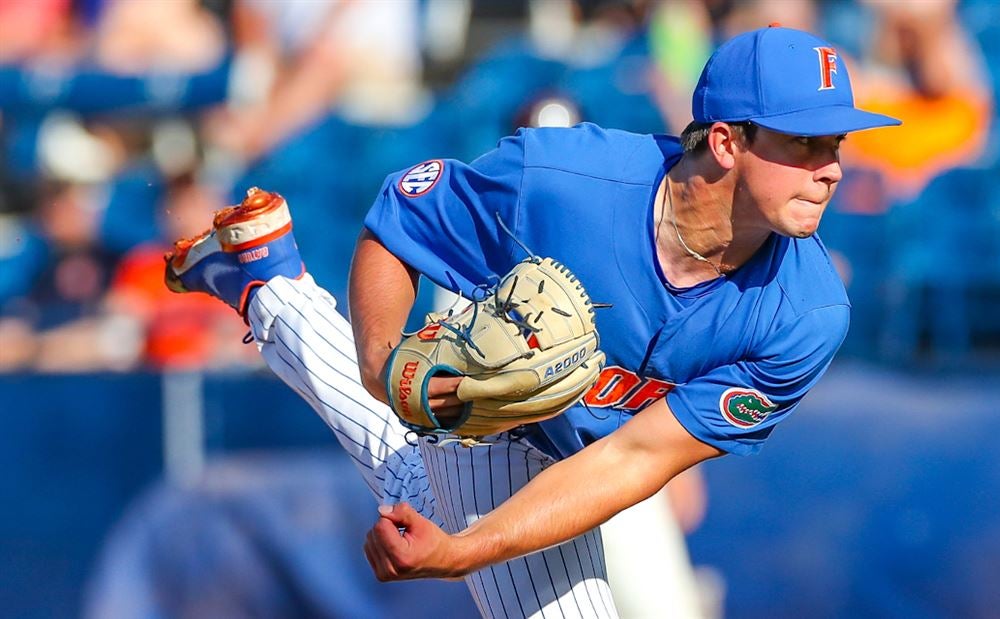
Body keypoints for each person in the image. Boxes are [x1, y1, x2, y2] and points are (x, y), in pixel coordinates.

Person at [166, 25, 898, 618]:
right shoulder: (563, 182)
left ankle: (266, 283)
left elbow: (634, 458)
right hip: (498, 423)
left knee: (432, 499)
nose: (830, 167)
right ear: (728, 141)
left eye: (835, 145)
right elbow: (399, 218)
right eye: (804, 144)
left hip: (588, 455)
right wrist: (381, 365)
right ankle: (267, 284)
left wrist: (466, 549)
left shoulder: (806, 312)